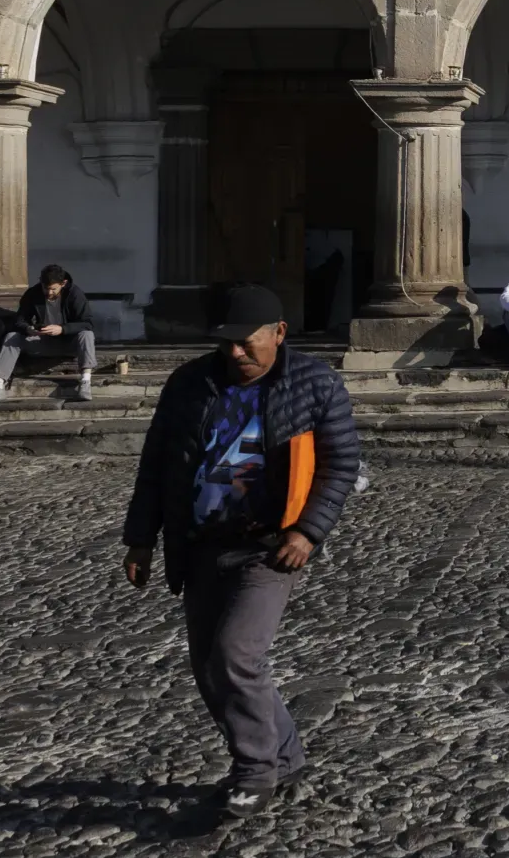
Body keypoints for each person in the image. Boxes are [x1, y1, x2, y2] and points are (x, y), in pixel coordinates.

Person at [121, 284, 362, 819]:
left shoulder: (315, 384)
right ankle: (286, 754)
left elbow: (340, 465)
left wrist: (307, 532)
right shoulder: (189, 384)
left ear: (279, 333)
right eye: (225, 343)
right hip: (201, 541)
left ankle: (255, 770)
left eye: (246, 342)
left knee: (236, 654)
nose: (234, 353)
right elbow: (157, 464)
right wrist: (141, 537)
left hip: (269, 546)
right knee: (210, 667)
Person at [0, 265, 95, 405]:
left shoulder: (75, 294)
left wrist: (62, 329)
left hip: (68, 343)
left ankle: (85, 382)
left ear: (63, 283)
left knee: (87, 335)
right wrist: (29, 329)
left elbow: (87, 323)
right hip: (43, 341)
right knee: (12, 337)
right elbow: (19, 320)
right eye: (46, 288)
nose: (49, 292)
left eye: (53, 289)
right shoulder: (33, 293)